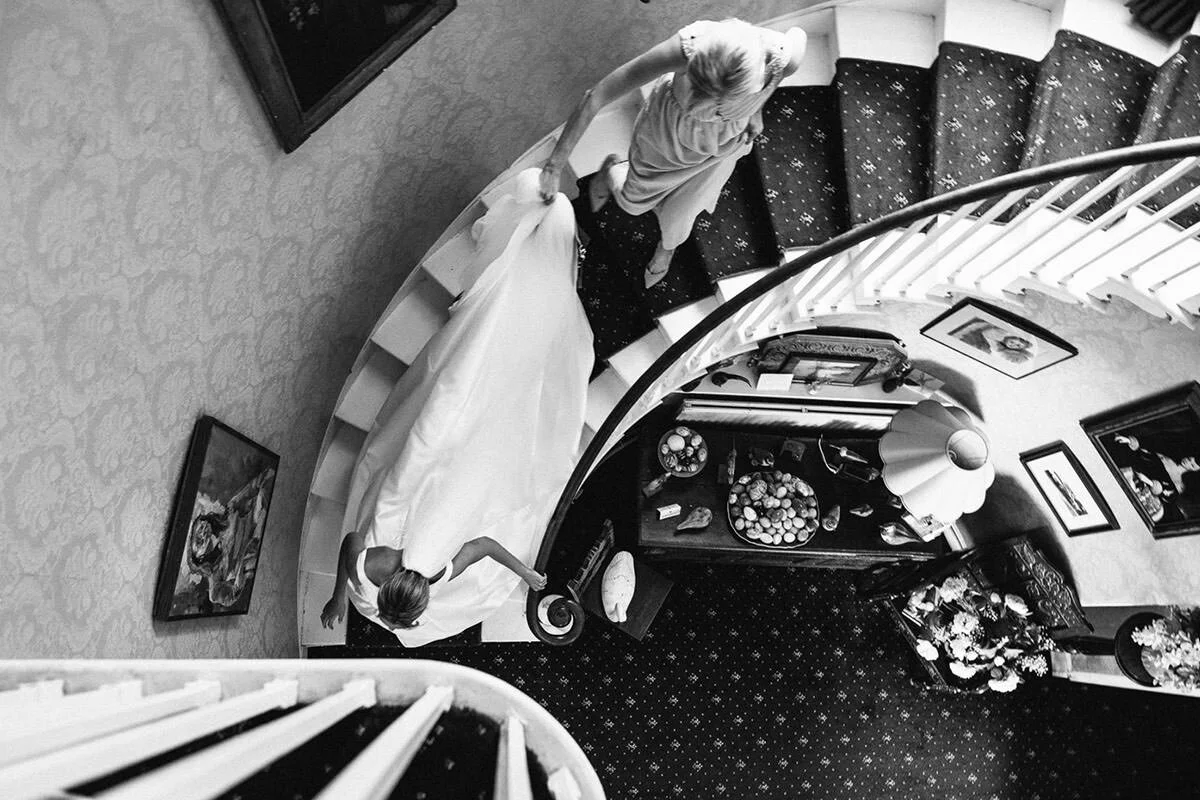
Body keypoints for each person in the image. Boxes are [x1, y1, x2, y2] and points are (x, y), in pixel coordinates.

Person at [320, 169, 593, 646]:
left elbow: (354, 547)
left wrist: (341, 598)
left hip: (424, 467)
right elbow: (479, 546)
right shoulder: (418, 571)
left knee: (462, 390)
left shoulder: (380, 567)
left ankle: (535, 247)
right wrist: (526, 573)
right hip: (427, 473)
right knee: (454, 402)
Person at [538, 19, 807, 288]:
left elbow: (796, 38)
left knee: (686, 207)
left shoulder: (782, 59)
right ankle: (613, 173)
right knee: (632, 203)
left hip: (723, 146)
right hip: (667, 138)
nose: (705, 107)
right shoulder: (684, 49)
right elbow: (596, 96)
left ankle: (667, 248)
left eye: (720, 103)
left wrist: (756, 109)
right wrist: (553, 167)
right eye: (699, 91)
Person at [320, 532, 546, 630]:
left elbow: (484, 545)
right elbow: (352, 539)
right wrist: (338, 596)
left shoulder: (366, 567)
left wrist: (525, 572)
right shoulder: (367, 566)